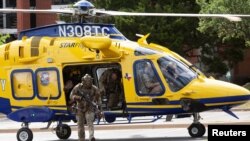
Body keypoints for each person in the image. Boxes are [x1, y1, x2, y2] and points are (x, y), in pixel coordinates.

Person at [70, 74, 101, 141]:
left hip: (90, 108)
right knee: (80, 125)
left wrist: (100, 109)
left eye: (90, 81)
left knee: (90, 122)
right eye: (87, 82)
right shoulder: (78, 87)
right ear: (83, 81)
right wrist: (78, 97)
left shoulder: (94, 88)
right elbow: (71, 96)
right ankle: (81, 138)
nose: (89, 83)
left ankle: (91, 137)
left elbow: (99, 99)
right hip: (80, 108)